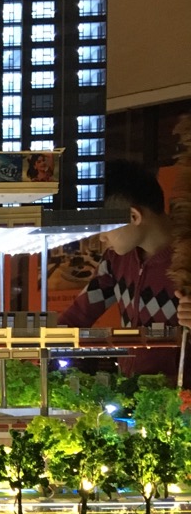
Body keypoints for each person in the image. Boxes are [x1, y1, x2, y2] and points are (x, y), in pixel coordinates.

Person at [59, 160, 181, 381]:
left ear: (134, 216)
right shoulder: (115, 260)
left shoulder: (185, 261)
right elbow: (79, 314)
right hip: (129, 388)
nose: (101, 238)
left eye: (103, 228)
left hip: (180, 395)